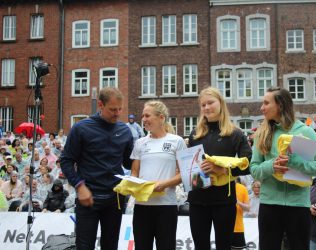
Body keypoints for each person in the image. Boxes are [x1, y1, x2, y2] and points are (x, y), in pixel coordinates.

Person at [250, 87, 316, 250]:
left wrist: (295, 162)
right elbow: (254, 169)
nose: (261, 108)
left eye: (266, 103)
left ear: (280, 105)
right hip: (269, 204)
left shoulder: (306, 131)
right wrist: (272, 165)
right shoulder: (262, 133)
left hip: (298, 205)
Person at [61, 87, 134, 250]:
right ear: (100, 105)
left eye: (120, 109)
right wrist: (79, 186)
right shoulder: (81, 128)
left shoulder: (124, 131)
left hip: (115, 200)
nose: (117, 113)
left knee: (110, 246)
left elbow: (129, 164)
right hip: (88, 199)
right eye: (113, 109)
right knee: (84, 246)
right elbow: (66, 161)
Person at [187, 87, 252, 250]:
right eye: (203, 105)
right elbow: (191, 168)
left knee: (224, 246)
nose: (207, 107)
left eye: (210, 103)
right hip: (197, 200)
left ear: (221, 103)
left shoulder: (235, 133)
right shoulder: (195, 134)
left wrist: (223, 170)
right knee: (200, 247)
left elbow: (249, 164)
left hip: (224, 200)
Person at [130, 100, 187, 250]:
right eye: (143, 116)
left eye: (147, 115)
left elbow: (185, 173)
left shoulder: (177, 141)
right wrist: (133, 185)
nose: (143, 119)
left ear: (161, 118)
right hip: (142, 206)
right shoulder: (140, 143)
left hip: (166, 206)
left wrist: (164, 184)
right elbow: (134, 172)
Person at [232, 177, 250, 250]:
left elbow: (248, 208)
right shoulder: (221, 188)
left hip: (238, 228)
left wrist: (239, 202)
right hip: (223, 228)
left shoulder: (242, 188)